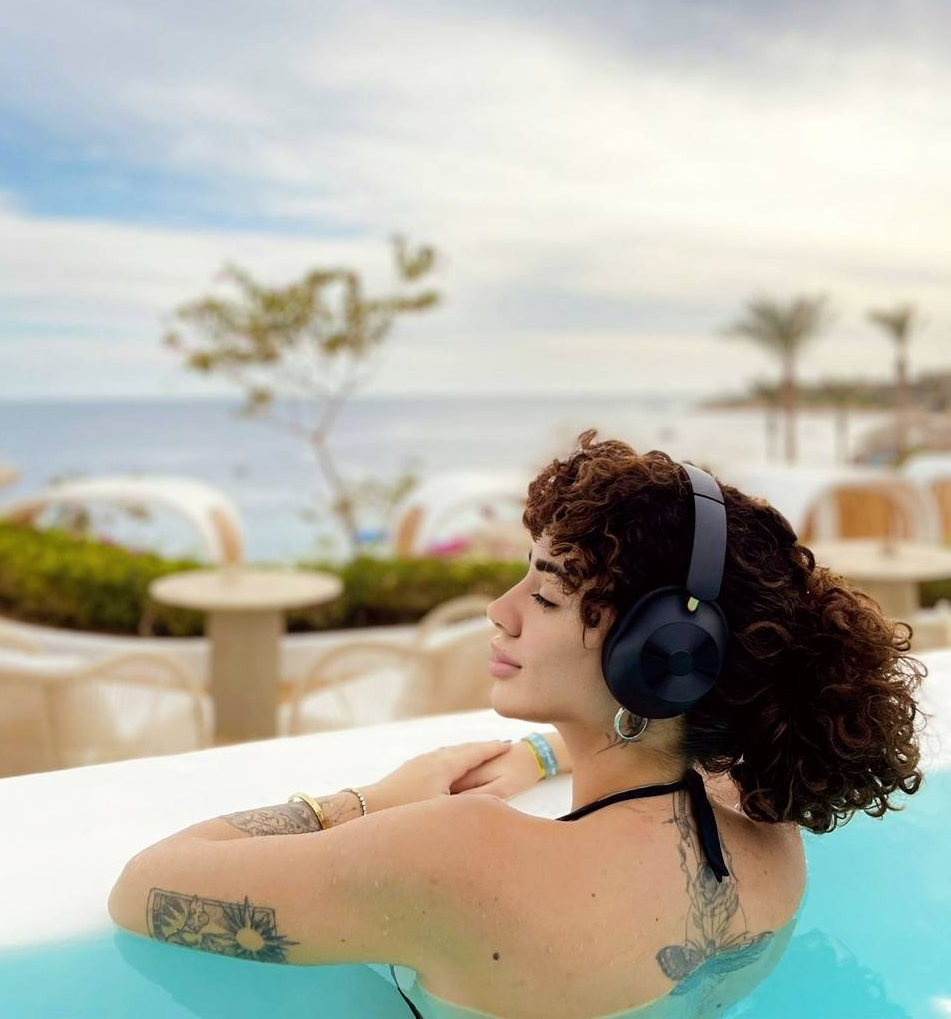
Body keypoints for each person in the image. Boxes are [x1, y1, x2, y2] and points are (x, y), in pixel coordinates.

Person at [390, 431, 930, 1018]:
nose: (500, 610)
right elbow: (662, 747)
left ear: (664, 652)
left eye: (545, 595)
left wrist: (369, 802)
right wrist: (540, 754)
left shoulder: (454, 853)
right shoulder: (768, 826)